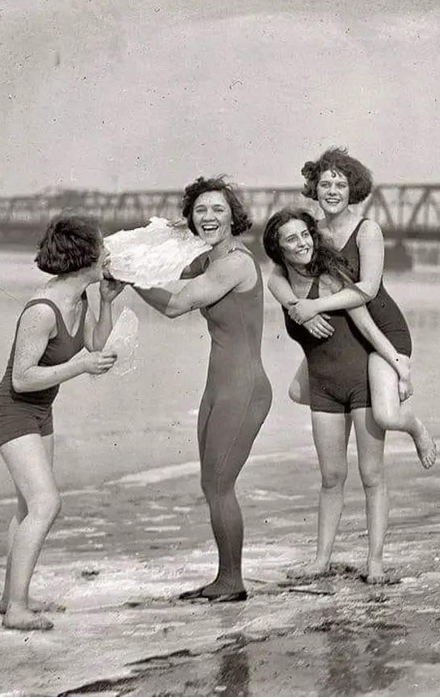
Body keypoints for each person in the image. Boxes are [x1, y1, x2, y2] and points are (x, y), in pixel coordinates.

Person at [132, 176, 272, 602]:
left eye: (218, 210)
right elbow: (171, 269)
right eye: (200, 211)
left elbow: (175, 304)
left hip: (243, 388)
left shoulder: (234, 263)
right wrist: (162, 239)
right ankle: (225, 576)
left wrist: (128, 278)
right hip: (219, 388)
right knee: (211, 485)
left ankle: (232, 581)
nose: (209, 217)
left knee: (219, 483)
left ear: (234, 216)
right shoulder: (211, 258)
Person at [0, 214, 125, 631]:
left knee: (29, 506)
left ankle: (13, 598)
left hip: (40, 410)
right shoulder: (42, 310)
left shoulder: (80, 298)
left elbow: (95, 347)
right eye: (103, 247)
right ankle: (18, 610)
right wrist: (80, 365)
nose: (109, 254)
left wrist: (108, 302)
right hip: (11, 408)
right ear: (85, 256)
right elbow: (22, 379)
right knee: (47, 504)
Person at [263, 207, 415, 584]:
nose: (302, 243)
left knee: (371, 475)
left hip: (361, 380)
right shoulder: (279, 284)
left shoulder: (331, 279)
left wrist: (398, 365)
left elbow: (367, 324)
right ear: (278, 248)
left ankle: (375, 562)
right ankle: (320, 560)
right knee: (331, 477)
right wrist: (297, 310)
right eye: (291, 239)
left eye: (305, 235)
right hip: (324, 388)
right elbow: (278, 287)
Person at [268, 147, 436, 469]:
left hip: (382, 329)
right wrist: (295, 306)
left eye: (340, 185)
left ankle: (414, 426)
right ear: (314, 188)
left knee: (385, 415)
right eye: (326, 184)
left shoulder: (367, 230)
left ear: (352, 190)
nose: (332, 192)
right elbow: (275, 278)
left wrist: (315, 305)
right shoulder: (311, 231)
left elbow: (367, 290)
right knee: (295, 392)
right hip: (347, 334)